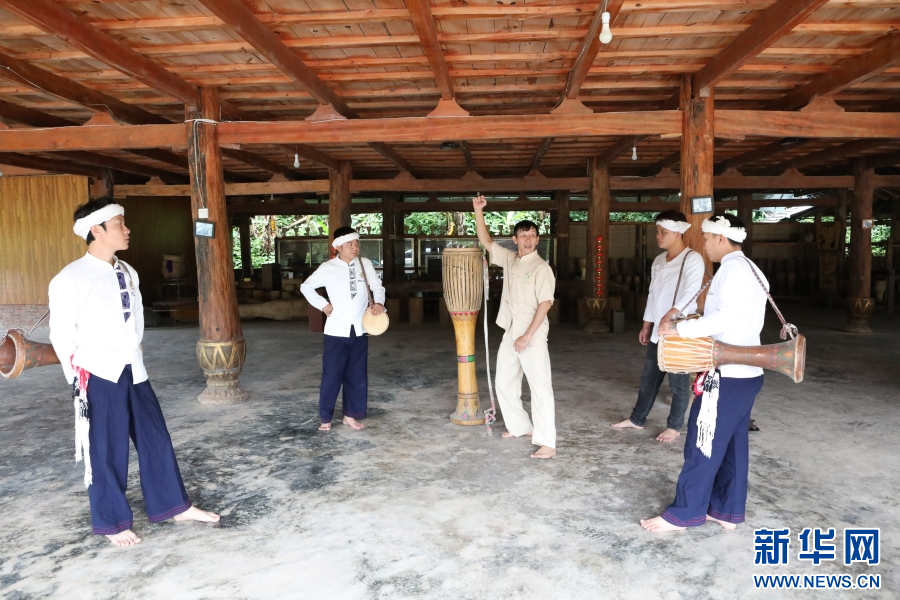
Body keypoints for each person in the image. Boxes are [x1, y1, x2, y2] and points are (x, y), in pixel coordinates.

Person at [48, 198, 219, 548]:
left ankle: (174, 506)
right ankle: (111, 522)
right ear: (96, 230)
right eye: (119, 224)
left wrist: (136, 348)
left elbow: (136, 316)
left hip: (133, 368)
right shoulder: (70, 278)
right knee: (106, 449)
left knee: (155, 438)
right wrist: (78, 380)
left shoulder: (127, 270)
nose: (127, 230)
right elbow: (61, 334)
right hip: (97, 373)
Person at [640, 214, 768, 532]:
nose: (705, 245)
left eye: (708, 239)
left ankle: (683, 514)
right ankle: (726, 511)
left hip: (727, 373)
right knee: (733, 445)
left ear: (721, 239)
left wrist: (680, 328)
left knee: (702, 443)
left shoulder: (733, 271)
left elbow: (724, 318)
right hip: (746, 373)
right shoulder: (752, 269)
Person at [473, 195, 557, 459]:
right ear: (515, 239)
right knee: (504, 382)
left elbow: (545, 304)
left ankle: (548, 443)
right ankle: (521, 426)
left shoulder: (542, 268)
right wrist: (478, 211)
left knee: (540, 387)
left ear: (538, 239)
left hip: (532, 334)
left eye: (532, 235)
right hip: (511, 331)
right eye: (523, 236)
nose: (528, 239)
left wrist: (527, 336)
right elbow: (486, 241)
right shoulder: (510, 259)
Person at [613, 210, 705, 442]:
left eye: (663, 231)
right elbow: (653, 295)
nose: (658, 236)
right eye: (657, 231)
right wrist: (647, 324)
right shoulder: (658, 261)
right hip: (658, 331)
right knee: (649, 379)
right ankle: (637, 419)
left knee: (678, 384)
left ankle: (674, 427)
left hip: (679, 331)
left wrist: (670, 315)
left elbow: (692, 291)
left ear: (677, 232)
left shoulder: (692, 258)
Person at [301, 226, 385, 432]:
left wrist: (379, 303)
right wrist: (323, 305)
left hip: (360, 329)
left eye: (356, 243)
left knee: (357, 375)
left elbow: (377, 286)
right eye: (350, 244)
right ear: (338, 247)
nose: (355, 247)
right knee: (332, 375)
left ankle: (350, 416)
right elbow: (306, 286)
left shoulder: (365, 264)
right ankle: (326, 417)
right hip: (336, 331)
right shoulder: (328, 267)